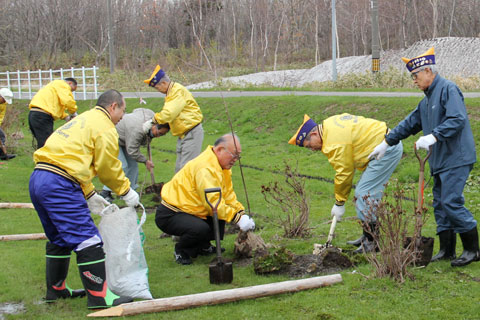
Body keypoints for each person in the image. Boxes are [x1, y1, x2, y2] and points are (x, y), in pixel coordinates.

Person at [29, 89, 140, 308]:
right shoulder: (105, 128)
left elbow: (74, 159)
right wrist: (126, 191)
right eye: (122, 111)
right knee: (88, 240)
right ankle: (100, 297)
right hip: (60, 183)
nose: (122, 117)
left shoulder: (83, 120)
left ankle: (56, 290)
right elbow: (108, 167)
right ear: (113, 107)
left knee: (59, 238)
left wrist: (90, 194)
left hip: (39, 177)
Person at [369, 47, 478, 267]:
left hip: (456, 157)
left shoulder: (448, 89)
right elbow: (410, 123)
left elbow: (457, 119)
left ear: (428, 70)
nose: (414, 81)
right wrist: (387, 142)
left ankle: (473, 250)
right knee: (440, 203)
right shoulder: (426, 100)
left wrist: (433, 137)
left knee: (451, 201)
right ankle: (447, 250)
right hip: (440, 160)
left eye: (415, 76)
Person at [289, 114, 403, 253]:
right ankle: (367, 237)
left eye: (309, 146)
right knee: (365, 193)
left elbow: (344, 173)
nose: (312, 149)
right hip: (382, 143)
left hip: (387, 149)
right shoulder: (328, 125)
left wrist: (339, 203)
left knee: (364, 193)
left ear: (313, 134)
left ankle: (372, 242)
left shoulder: (334, 142)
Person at [155, 134, 255, 265]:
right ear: (219, 150)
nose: (236, 159)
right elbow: (213, 203)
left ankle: (203, 245)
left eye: (238, 156)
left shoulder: (221, 167)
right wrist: (237, 219)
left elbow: (228, 195)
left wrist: (241, 213)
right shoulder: (206, 168)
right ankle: (182, 250)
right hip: (172, 213)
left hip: (191, 209)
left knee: (219, 218)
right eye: (234, 155)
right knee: (200, 228)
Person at [99, 108, 170, 202]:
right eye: (159, 133)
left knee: (133, 167)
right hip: (112, 137)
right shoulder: (137, 130)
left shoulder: (151, 116)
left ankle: (128, 192)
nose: (158, 136)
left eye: (162, 135)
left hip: (125, 139)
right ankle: (105, 192)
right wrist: (145, 161)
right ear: (155, 126)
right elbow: (132, 150)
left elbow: (138, 110)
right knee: (122, 166)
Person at [142, 65, 204, 172]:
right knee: (179, 170)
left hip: (191, 133)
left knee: (186, 171)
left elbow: (168, 114)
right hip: (183, 135)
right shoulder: (171, 92)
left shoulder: (176, 91)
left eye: (158, 88)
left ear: (164, 83)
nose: (158, 90)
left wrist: (153, 120)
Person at [28, 78, 78, 148]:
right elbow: (67, 100)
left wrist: (66, 117)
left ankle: (40, 158)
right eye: (71, 90)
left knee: (42, 142)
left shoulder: (53, 87)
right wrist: (74, 112)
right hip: (42, 116)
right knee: (47, 143)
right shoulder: (62, 84)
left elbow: (54, 106)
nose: (70, 92)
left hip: (34, 114)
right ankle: (44, 158)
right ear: (69, 83)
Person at [0, 88, 16, 160]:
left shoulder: (3, 104)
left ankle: (2, 154)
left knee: (1, 135)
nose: (4, 101)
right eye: (4, 99)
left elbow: (1, 116)